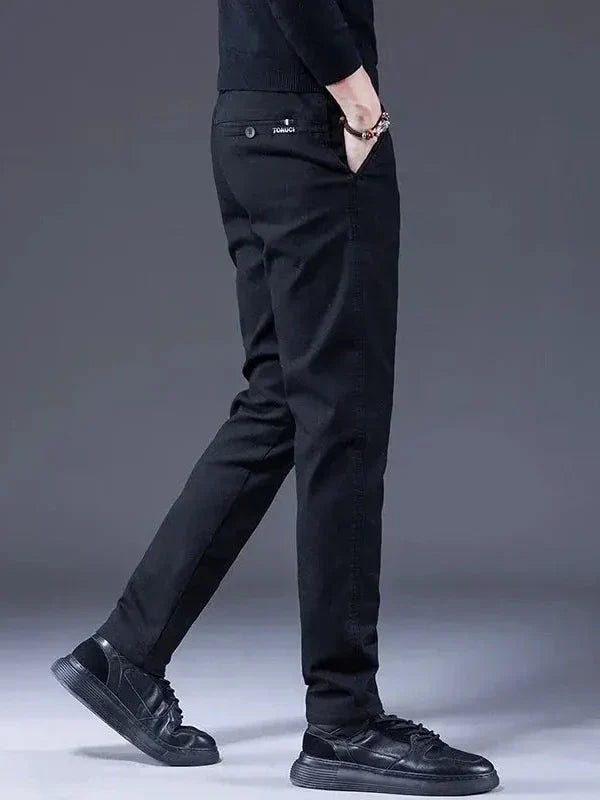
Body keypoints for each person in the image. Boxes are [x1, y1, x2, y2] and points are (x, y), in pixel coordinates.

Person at [51, 1, 499, 794]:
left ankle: (127, 652)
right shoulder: (335, 108)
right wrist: (357, 98)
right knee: (342, 416)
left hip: (248, 121)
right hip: (311, 127)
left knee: (282, 401)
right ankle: (344, 721)